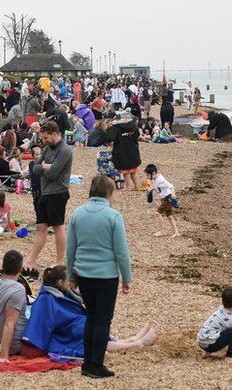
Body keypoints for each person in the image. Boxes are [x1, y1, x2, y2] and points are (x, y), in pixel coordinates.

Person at [66, 175, 133, 378]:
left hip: (83, 274)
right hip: (106, 276)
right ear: (108, 193)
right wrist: (127, 278)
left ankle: (87, 363)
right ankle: (95, 365)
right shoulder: (113, 216)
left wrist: (71, 275)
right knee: (103, 320)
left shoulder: (78, 213)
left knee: (91, 318)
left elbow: (71, 249)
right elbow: (121, 252)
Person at [21, 265, 157, 359]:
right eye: (69, 280)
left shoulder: (58, 293)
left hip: (68, 330)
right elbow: (41, 323)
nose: (72, 283)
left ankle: (132, 339)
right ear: (61, 282)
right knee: (89, 333)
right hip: (64, 335)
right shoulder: (46, 298)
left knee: (90, 328)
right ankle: (137, 344)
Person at [22, 121, 72, 279]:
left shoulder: (64, 151)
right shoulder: (47, 148)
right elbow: (34, 169)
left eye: (45, 137)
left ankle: (59, 261)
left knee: (58, 227)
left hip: (58, 193)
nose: (43, 141)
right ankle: (31, 260)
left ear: (54, 134)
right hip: (45, 193)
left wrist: (44, 167)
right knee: (40, 227)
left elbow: (53, 173)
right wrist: (44, 166)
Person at [106, 111, 141, 192]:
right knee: (133, 170)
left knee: (125, 171)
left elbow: (110, 138)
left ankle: (128, 187)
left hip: (121, 150)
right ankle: (136, 186)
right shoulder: (133, 126)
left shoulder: (117, 127)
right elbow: (137, 135)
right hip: (133, 149)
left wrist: (110, 127)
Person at [144, 164, 181, 237]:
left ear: (153, 173)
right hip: (164, 198)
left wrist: (173, 194)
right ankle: (176, 232)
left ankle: (162, 231)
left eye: (148, 175)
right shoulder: (155, 179)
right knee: (170, 216)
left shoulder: (160, 180)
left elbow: (171, 186)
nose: (147, 177)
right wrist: (152, 189)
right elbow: (159, 191)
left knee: (159, 213)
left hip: (168, 198)